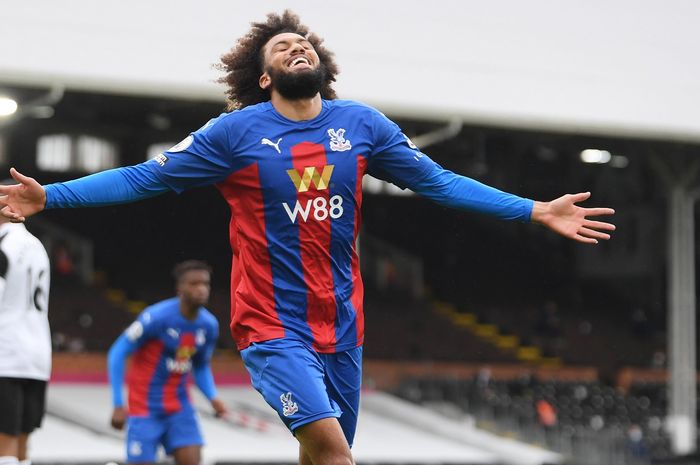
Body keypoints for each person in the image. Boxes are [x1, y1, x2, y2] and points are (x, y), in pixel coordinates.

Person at [0, 10, 615, 465]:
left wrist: (533, 210)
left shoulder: (362, 125)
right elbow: (145, 178)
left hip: (343, 325)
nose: (296, 47)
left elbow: (439, 183)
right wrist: (51, 195)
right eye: (282, 47)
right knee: (332, 451)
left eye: (303, 43)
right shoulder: (234, 133)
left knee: (325, 456)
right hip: (271, 325)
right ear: (263, 78)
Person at [107, 260, 227, 465]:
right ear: (180, 288)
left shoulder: (208, 326)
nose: (202, 289)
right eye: (194, 284)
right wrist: (118, 403)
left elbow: (200, 365)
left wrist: (212, 396)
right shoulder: (155, 317)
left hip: (180, 408)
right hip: (144, 408)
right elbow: (117, 353)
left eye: (205, 284)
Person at [0, 213, 51, 465]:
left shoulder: (3, 245)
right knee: (21, 444)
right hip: (37, 354)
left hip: (5, 352)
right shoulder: (37, 245)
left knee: (4, 442)